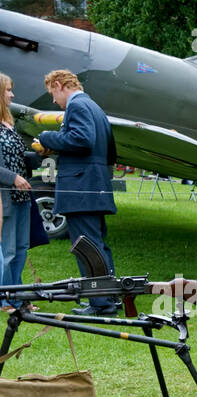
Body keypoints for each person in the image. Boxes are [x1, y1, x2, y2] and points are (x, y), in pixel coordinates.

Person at [31, 70, 117, 316]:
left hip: (80, 189)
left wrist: (48, 137)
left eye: (52, 94)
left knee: (86, 247)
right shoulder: (94, 107)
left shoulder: (77, 106)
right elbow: (109, 150)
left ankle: (100, 304)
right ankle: (110, 297)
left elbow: (82, 140)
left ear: (59, 85)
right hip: (95, 185)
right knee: (98, 246)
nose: (54, 101)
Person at [0, 72, 34, 310]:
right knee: (8, 250)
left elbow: (20, 158)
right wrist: (13, 178)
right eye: (8, 90)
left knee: (21, 249)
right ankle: (6, 299)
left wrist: (42, 154)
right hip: (5, 196)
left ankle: (18, 296)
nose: (12, 94)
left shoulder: (9, 123)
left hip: (22, 196)